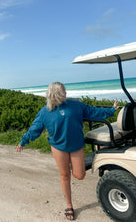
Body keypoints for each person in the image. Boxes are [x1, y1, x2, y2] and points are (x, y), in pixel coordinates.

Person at [16, 82, 119, 220]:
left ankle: (72, 164)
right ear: (56, 94)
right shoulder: (45, 112)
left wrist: (111, 110)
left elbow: (93, 111)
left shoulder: (75, 105)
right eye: (63, 92)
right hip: (59, 147)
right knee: (65, 175)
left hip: (76, 145)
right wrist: (24, 141)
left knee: (80, 175)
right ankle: (69, 205)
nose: (66, 93)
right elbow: (35, 129)